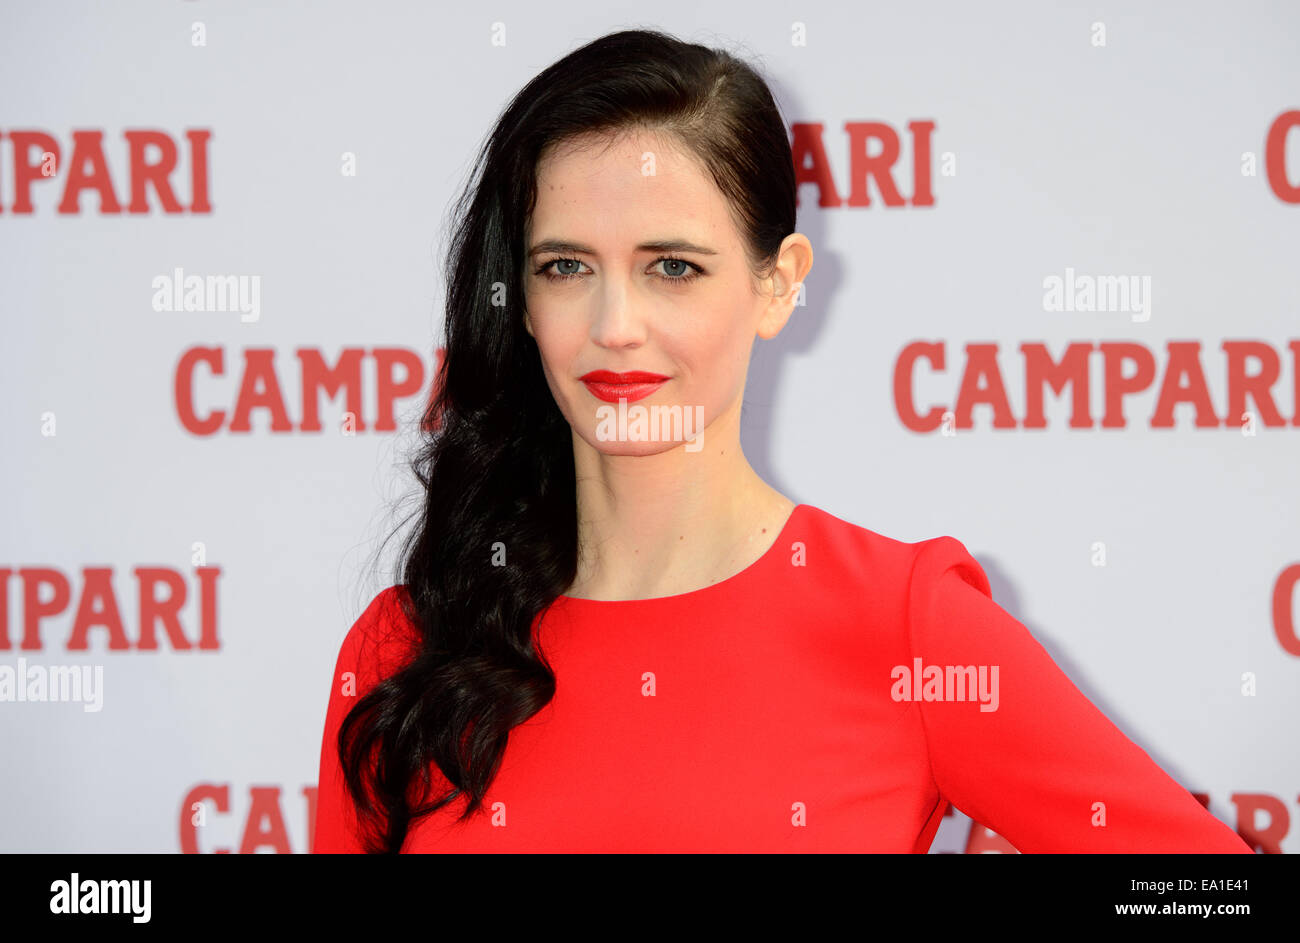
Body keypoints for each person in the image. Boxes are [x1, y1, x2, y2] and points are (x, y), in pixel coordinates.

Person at [313, 28, 1252, 854]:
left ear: (778, 283)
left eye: (672, 267)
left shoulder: (904, 625)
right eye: (566, 267)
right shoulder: (405, 648)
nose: (615, 323)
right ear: (519, 300)